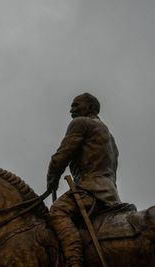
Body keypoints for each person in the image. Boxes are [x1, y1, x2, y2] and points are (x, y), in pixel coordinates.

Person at [46, 93, 122, 267]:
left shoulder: (81, 123)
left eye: (76, 105)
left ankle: (74, 261)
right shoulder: (110, 137)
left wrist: (51, 182)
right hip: (110, 193)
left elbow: (60, 157)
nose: (71, 110)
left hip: (90, 189)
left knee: (57, 212)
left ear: (90, 107)